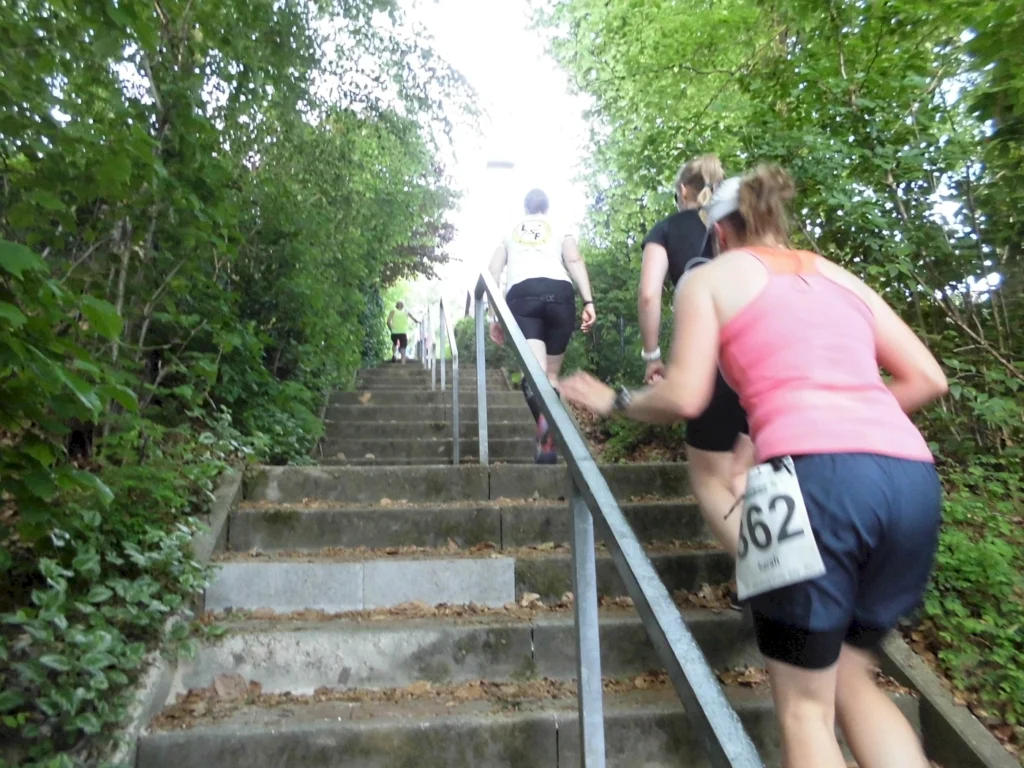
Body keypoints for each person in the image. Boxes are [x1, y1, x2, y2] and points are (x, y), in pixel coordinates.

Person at [561, 165, 947, 768]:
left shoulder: (710, 279)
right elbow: (928, 379)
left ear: (718, 233)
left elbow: (686, 396)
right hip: (912, 481)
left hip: (810, 486)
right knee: (851, 679)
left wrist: (615, 400)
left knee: (804, 712)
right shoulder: (840, 278)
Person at [639, 153, 754, 564]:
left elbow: (649, 294)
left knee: (711, 479)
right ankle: (772, 573)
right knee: (745, 474)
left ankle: (768, 577)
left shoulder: (667, 228)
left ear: (683, 190)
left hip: (709, 360)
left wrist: (652, 356)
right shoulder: (742, 223)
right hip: (759, 358)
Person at [488, 188, 596, 463]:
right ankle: (548, 434)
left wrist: (494, 316)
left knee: (534, 376)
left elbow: (493, 271)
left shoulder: (510, 231)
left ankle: (546, 435)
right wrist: (588, 301)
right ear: (546, 208)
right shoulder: (559, 226)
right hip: (560, 295)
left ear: (525, 209)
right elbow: (574, 260)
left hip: (523, 297)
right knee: (551, 376)